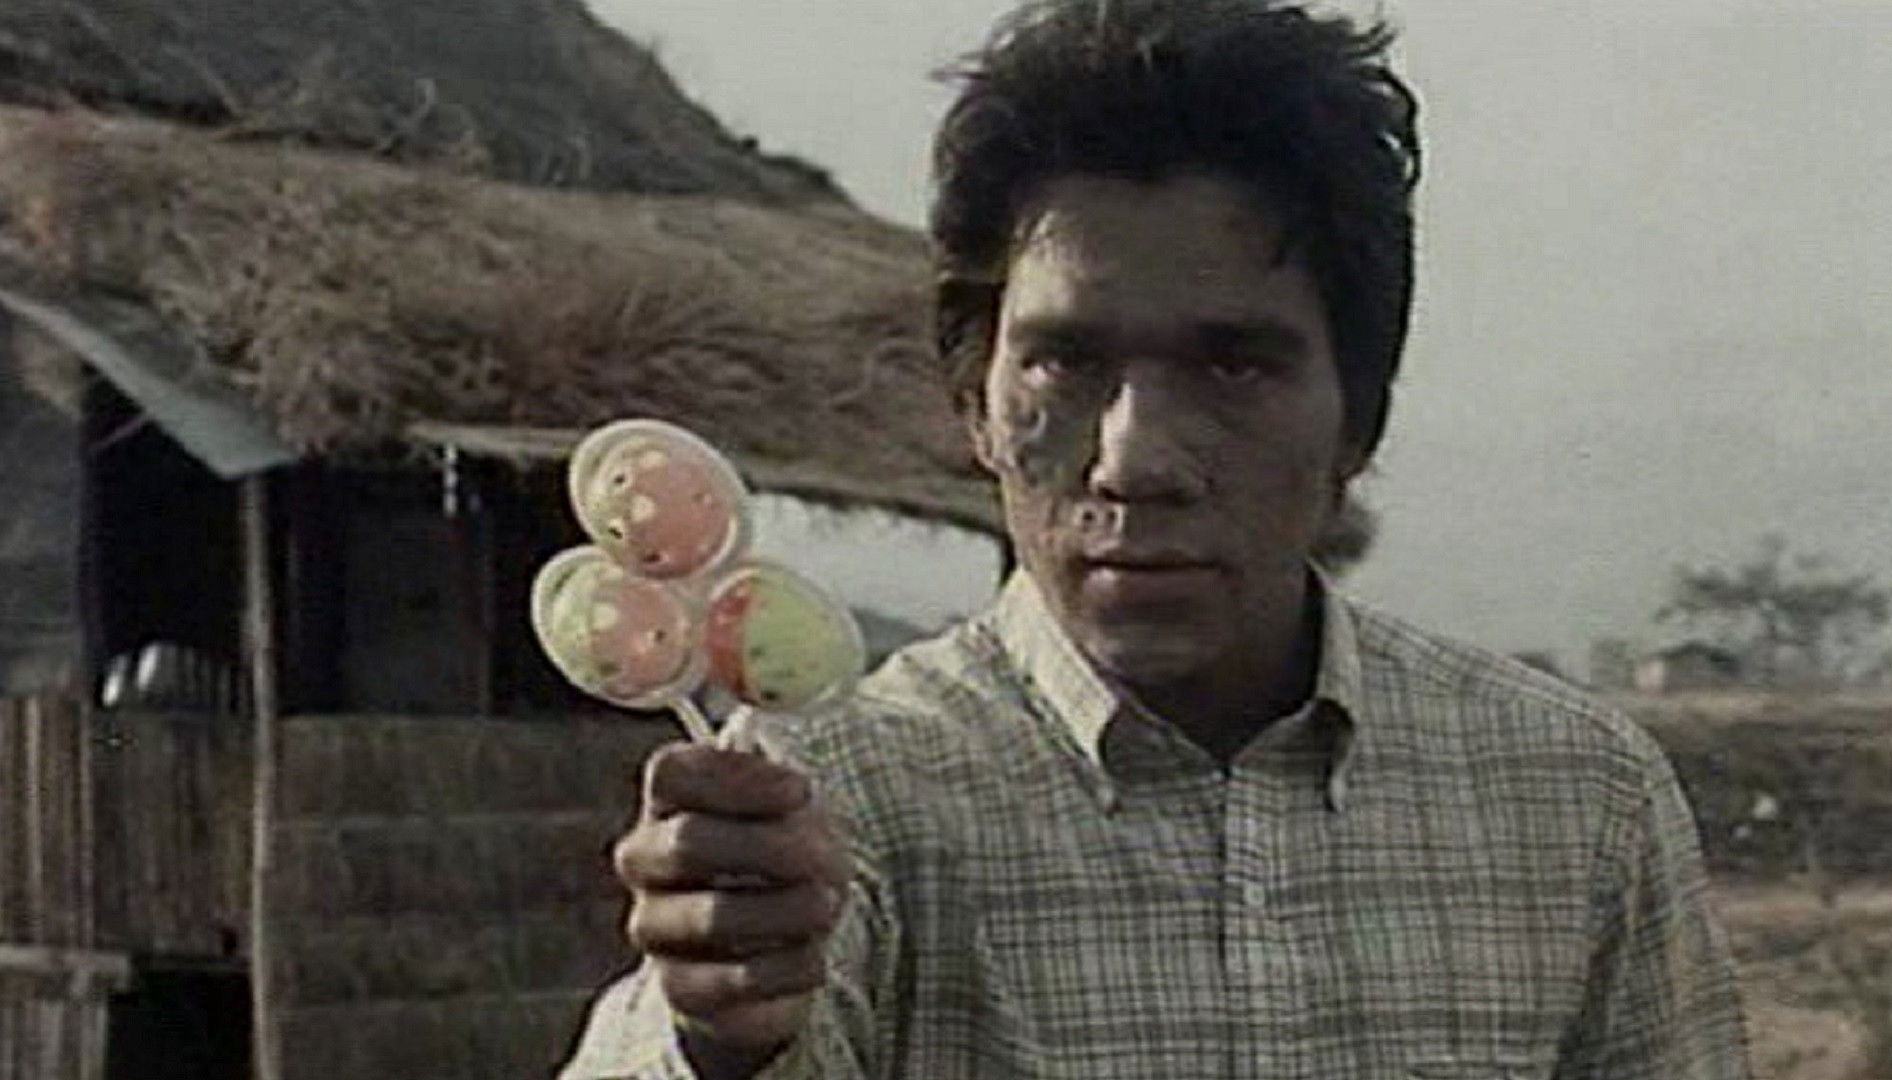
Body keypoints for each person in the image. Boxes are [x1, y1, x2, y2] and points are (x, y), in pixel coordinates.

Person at [560, 1, 1751, 1077]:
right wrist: (721, 1037)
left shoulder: (1574, 795)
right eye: (1066, 363)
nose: (1135, 459)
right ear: (977, 403)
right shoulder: (827, 796)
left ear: (1358, 417)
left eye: (1233, 365)